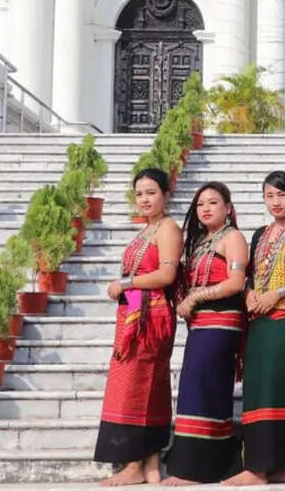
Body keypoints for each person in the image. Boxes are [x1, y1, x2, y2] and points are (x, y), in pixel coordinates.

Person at [223, 172, 285, 486]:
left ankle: (283, 465)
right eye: (269, 196)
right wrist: (250, 294)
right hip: (261, 321)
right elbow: (250, 276)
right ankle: (261, 465)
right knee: (260, 389)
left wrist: (277, 295)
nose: (275, 202)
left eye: (281, 195)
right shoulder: (258, 234)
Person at [96, 168, 182, 487]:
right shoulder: (145, 231)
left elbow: (166, 276)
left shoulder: (168, 228)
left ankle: (134, 464)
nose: (144, 199)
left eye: (151, 193)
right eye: (139, 194)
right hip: (134, 318)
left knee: (139, 387)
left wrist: (126, 282)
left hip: (153, 318)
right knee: (143, 387)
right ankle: (150, 463)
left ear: (165, 195)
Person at [162, 182, 249, 486]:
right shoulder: (200, 241)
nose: (206, 209)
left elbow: (236, 282)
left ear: (228, 207)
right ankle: (199, 464)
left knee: (204, 387)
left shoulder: (233, 238)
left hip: (222, 323)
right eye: (200, 204)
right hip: (200, 326)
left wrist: (196, 297)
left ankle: (196, 469)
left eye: (213, 202)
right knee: (195, 387)